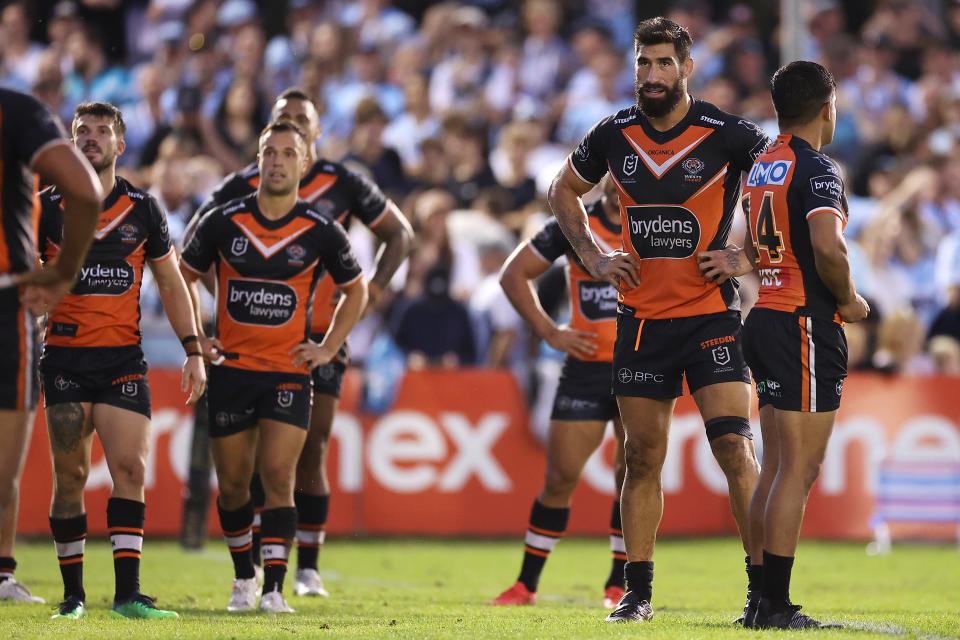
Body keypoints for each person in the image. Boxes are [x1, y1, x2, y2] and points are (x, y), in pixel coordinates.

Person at [546, 17, 769, 623]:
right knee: (641, 458)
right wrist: (592, 255)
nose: (652, 75)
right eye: (644, 63)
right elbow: (561, 192)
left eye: (664, 63)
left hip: (712, 319)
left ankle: (763, 592)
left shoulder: (726, 133)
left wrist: (747, 256)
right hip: (642, 322)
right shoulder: (613, 134)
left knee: (733, 447)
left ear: (687, 68)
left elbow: (786, 183)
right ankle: (637, 593)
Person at [192, 87, 412, 597]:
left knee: (308, 449)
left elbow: (400, 234)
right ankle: (251, 575)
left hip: (317, 339)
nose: (291, 126)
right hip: (247, 343)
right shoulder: (237, 188)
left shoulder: (343, 183)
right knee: (243, 469)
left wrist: (373, 292)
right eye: (281, 120)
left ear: (314, 135)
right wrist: (226, 300)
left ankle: (305, 568)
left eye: (301, 121)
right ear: (266, 136)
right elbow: (195, 250)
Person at [697, 61, 869, 629]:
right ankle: (774, 604)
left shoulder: (764, 163)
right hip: (804, 322)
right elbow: (827, 246)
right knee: (799, 467)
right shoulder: (818, 169)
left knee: (775, 466)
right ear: (828, 107)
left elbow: (763, 242)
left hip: (764, 314)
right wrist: (849, 299)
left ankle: (760, 597)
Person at [180, 120, 368, 613]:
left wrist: (327, 348)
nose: (278, 161)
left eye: (289, 153)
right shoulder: (222, 221)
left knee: (281, 475)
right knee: (235, 483)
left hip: (287, 372)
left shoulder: (322, 229)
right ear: (258, 160)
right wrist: (198, 337)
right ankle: (244, 576)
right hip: (233, 370)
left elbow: (357, 289)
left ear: (305, 164)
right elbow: (180, 275)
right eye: (270, 152)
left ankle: (274, 589)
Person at [37, 102, 206, 620]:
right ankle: (73, 597)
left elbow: (172, 281)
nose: (92, 138)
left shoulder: (143, 208)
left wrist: (194, 349)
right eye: (82, 131)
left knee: (130, 468)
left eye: (102, 131)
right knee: (70, 478)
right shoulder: (45, 206)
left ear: (120, 144)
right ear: (70, 142)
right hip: (64, 358)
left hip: (121, 362)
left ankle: (129, 596)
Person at [489, 176, 627, 609]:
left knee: (635, 475)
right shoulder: (573, 224)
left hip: (642, 366)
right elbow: (513, 274)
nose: (622, 180)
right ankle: (525, 585)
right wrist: (550, 331)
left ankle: (620, 584)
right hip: (584, 367)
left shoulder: (660, 221)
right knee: (560, 477)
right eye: (614, 170)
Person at [0, 87, 102, 604]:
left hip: (11, 302)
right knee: (4, 468)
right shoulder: (16, 110)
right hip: (6, 301)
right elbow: (86, 192)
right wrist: (64, 269)